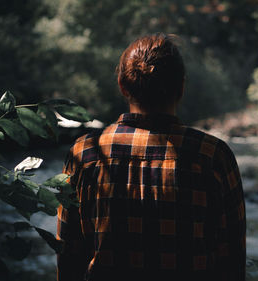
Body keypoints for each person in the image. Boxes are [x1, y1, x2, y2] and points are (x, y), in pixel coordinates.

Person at [56, 33, 246, 281]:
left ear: (123, 87)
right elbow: (232, 261)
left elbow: (68, 255)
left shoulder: (86, 153)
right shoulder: (212, 156)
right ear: (181, 87)